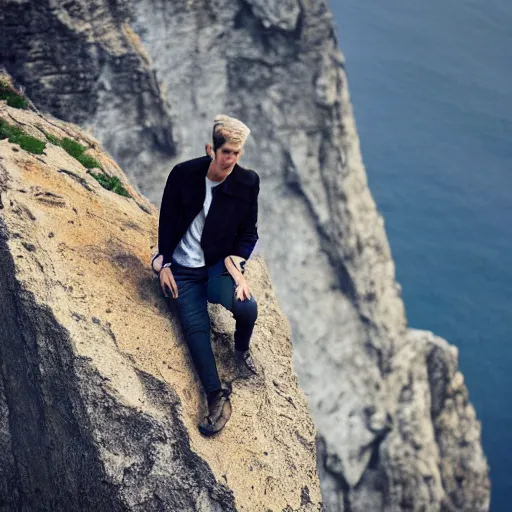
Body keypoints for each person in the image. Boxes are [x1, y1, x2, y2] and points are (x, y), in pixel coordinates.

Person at [151, 114, 260, 436]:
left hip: (216, 266)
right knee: (195, 328)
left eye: (237, 154)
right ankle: (216, 396)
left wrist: (238, 268)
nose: (231, 160)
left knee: (247, 308)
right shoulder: (184, 174)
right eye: (226, 152)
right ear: (211, 148)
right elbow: (167, 222)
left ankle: (242, 351)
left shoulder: (247, 182)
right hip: (183, 269)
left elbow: (248, 233)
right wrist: (164, 264)